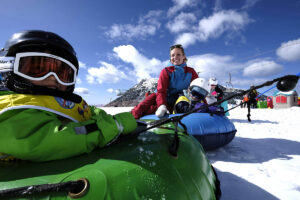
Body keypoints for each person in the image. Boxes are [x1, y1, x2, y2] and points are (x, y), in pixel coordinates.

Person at [0, 30, 137, 162]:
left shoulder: (56, 100)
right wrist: (115, 125)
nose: (52, 78)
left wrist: (104, 117)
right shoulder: (8, 110)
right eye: (38, 68)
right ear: (9, 67)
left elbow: (87, 110)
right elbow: (54, 140)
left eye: (63, 73)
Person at [131, 44, 198, 119]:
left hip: (176, 101)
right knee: (139, 109)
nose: (175, 57)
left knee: (153, 111)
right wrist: (161, 105)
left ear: (184, 56)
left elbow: (198, 89)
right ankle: (128, 120)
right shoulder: (166, 71)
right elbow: (161, 90)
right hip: (159, 96)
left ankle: (141, 122)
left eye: (178, 54)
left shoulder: (191, 72)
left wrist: (205, 105)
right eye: (173, 55)